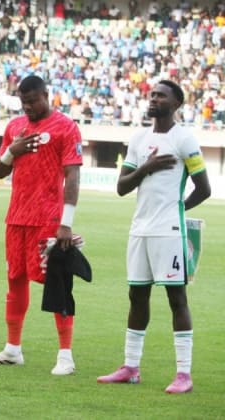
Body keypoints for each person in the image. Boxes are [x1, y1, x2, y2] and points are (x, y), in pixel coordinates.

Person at [97, 80, 211, 394]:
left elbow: (204, 189)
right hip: (139, 230)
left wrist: (178, 211)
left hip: (168, 231)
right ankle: (131, 367)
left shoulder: (185, 139)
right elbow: (122, 187)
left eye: (161, 95)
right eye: (152, 94)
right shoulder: (138, 138)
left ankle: (184, 375)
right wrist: (146, 167)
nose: (153, 98)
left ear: (176, 103)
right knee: (137, 296)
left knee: (177, 299)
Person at [0, 75, 82, 375]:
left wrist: (66, 222)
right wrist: (13, 150)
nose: (29, 107)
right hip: (16, 217)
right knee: (15, 280)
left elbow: (73, 176)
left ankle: (65, 356)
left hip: (48, 218)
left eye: (34, 101)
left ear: (46, 95)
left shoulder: (66, 127)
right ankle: (12, 350)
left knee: (56, 283)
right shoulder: (14, 127)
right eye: (24, 102)